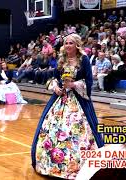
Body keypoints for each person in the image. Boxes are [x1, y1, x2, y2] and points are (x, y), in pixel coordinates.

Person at [31, 34, 104, 179]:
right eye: (66, 43)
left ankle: (78, 166)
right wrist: (55, 87)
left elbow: (89, 82)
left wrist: (74, 84)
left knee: (76, 131)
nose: (68, 45)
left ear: (77, 45)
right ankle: (51, 165)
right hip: (60, 99)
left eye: (71, 43)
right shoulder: (61, 60)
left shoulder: (84, 60)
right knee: (52, 130)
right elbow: (53, 78)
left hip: (78, 101)